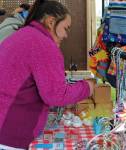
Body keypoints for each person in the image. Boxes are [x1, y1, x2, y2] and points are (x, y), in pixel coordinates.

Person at [0, 0, 95, 149]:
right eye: (66, 28)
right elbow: (56, 95)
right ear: (51, 22)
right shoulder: (43, 44)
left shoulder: (23, 35)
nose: (66, 35)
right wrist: (88, 86)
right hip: (11, 133)